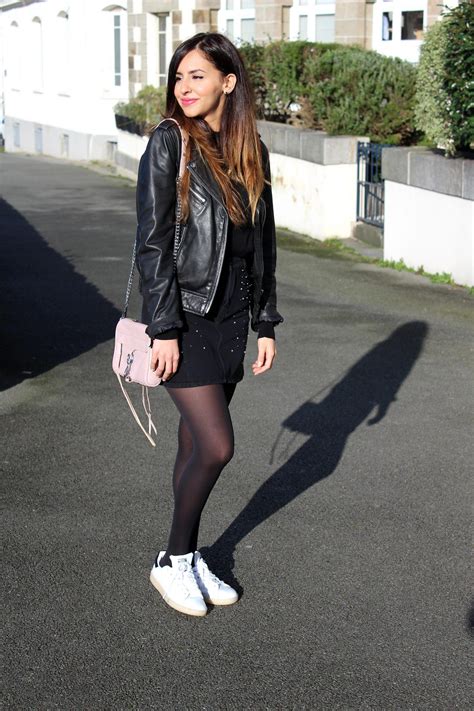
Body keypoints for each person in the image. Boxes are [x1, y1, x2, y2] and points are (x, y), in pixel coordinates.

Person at [135, 32, 283, 617]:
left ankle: (189, 555)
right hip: (185, 317)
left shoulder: (252, 150)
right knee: (218, 447)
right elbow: (152, 243)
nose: (185, 88)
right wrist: (163, 327)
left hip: (229, 320)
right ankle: (173, 559)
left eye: (197, 76)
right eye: (179, 77)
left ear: (228, 81)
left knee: (195, 443)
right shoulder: (170, 143)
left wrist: (265, 321)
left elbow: (261, 244)